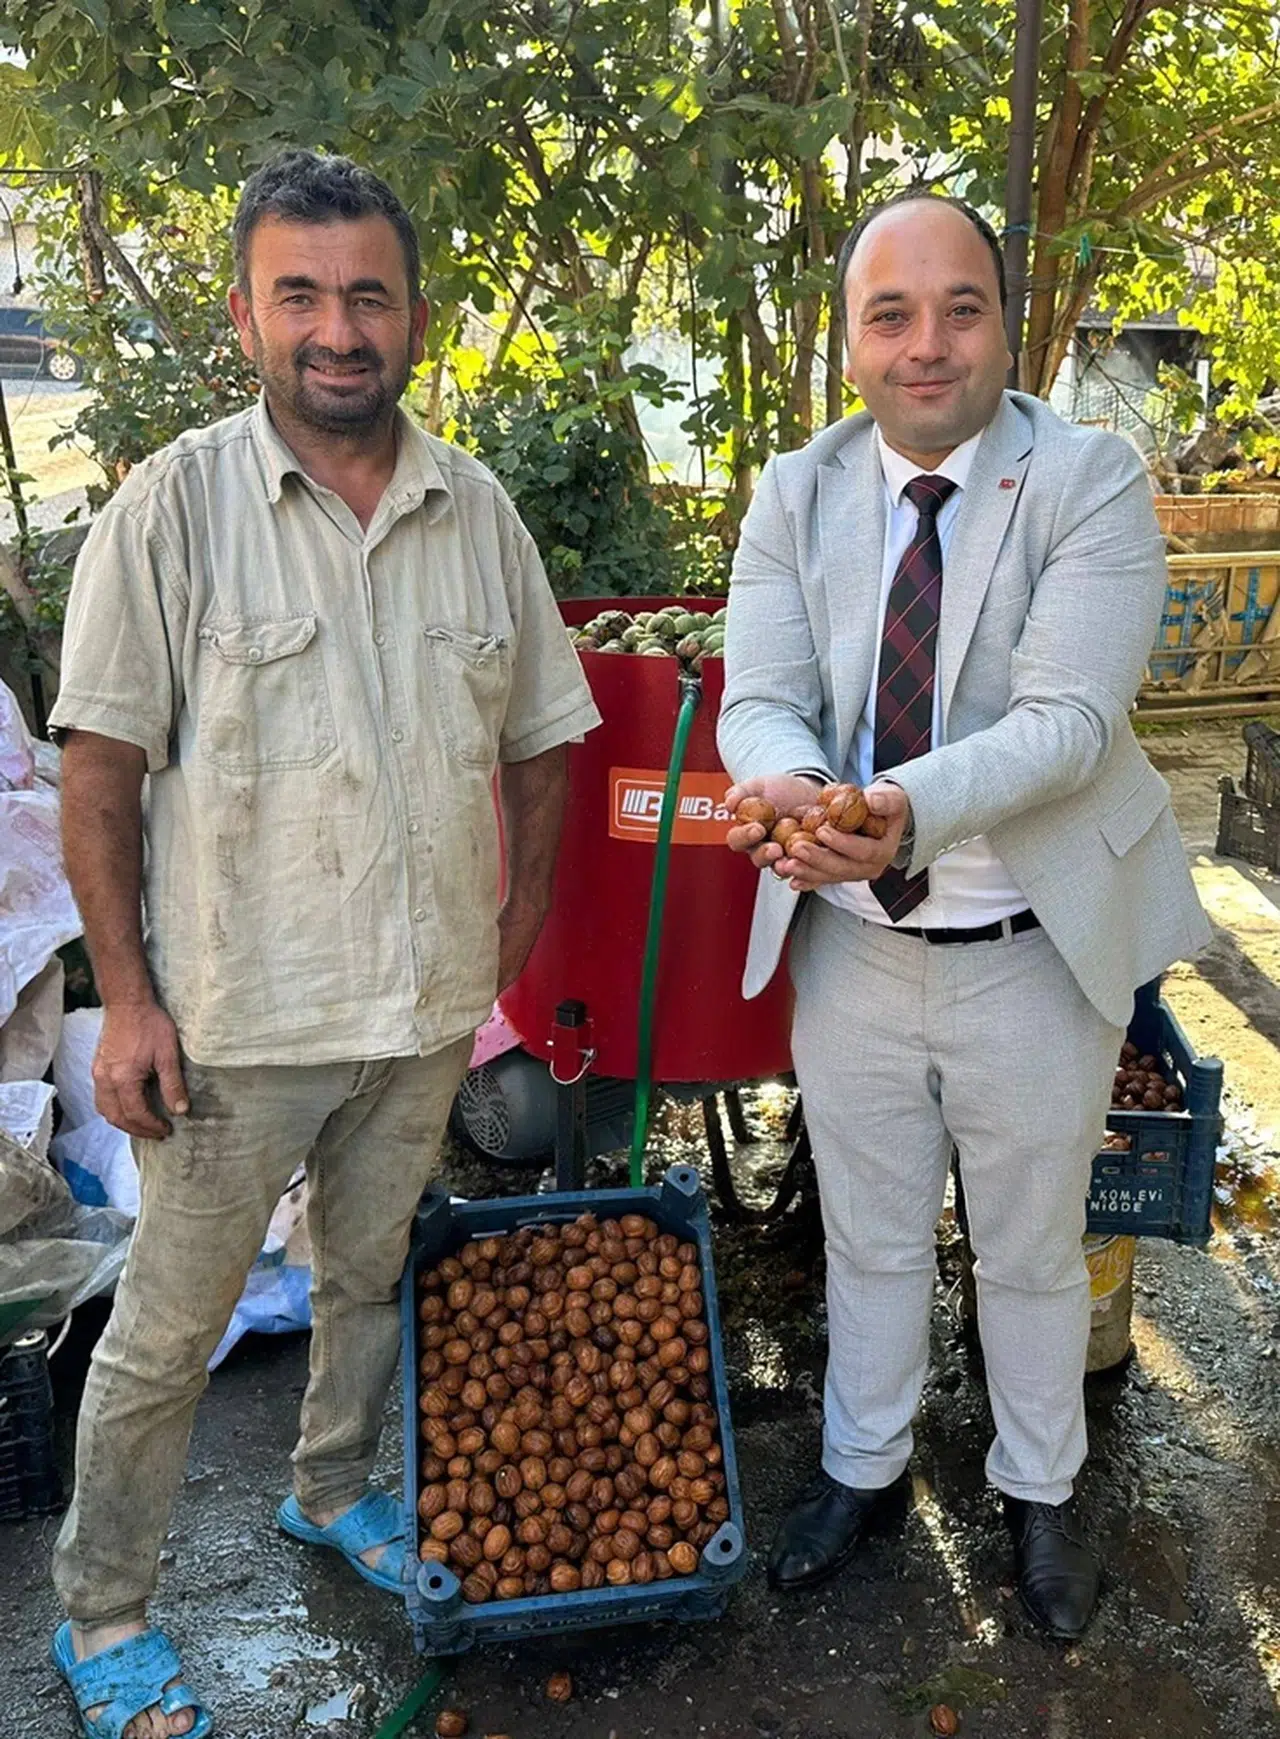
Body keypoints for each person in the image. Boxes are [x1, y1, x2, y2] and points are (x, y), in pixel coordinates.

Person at [46, 149, 600, 1739]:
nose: (338, 328)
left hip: (421, 1005)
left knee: (369, 1269)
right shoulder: (172, 512)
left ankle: (334, 1483)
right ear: (247, 316)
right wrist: (127, 1002)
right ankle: (104, 1610)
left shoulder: (475, 511)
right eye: (301, 295)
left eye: (367, 295)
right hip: (239, 1017)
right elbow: (100, 773)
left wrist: (516, 917)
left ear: (413, 315)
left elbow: (545, 736)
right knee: (167, 1330)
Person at [719, 192, 1208, 1639]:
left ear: (1007, 325)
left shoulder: (1090, 480)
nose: (926, 344)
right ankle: (862, 1467)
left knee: (1031, 1247)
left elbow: (1068, 720)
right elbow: (761, 695)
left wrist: (900, 809)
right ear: (850, 343)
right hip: (853, 949)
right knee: (868, 1233)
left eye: (960, 309)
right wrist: (804, 790)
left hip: (1030, 951)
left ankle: (1041, 1490)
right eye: (891, 315)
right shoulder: (795, 492)